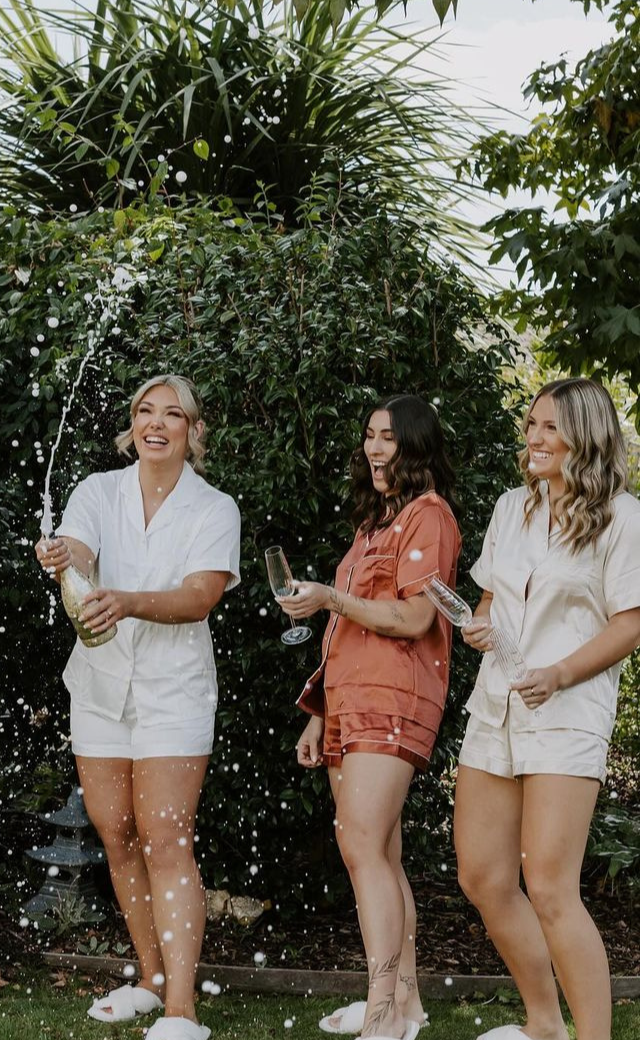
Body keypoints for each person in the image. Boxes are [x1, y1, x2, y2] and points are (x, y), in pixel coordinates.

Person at [35, 375, 240, 1040]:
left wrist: (124, 601)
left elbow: (199, 597)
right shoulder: (99, 491)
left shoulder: (215, 508)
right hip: (99, 688)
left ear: (193, 431)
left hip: (173, 692)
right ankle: (150, 979)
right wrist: (63, 556)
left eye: (172, 414)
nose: (156, 423)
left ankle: (182, 1009)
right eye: (145, 411)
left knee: (166, 839)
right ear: (132, 425)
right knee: (118, 834)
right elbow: (80, 552)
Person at [454, 378, 640, 1040]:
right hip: (496, 706)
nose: (534, 438)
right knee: (483, 876)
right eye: (531, 424)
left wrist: (558, 674)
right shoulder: (513, 506)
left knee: (553, 888)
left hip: (568, 713)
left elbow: (630, 623)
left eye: (550, 427)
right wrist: (479, 624)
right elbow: (489, 599)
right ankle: (544, 1024)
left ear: (584, 437)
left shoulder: (623, 516)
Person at [282, 393, 461, 1040]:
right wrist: (320, 710)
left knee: (361, 846)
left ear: (415, 444)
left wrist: (331, 597)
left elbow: (416, 617)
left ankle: (381, 1013)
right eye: (369, 436)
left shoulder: (428, 515)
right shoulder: (375, 525)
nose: (374, 448)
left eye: (388, 437)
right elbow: (346, 637)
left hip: (393, 698)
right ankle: (404, 1007)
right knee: (379, 851)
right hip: (351, 701)